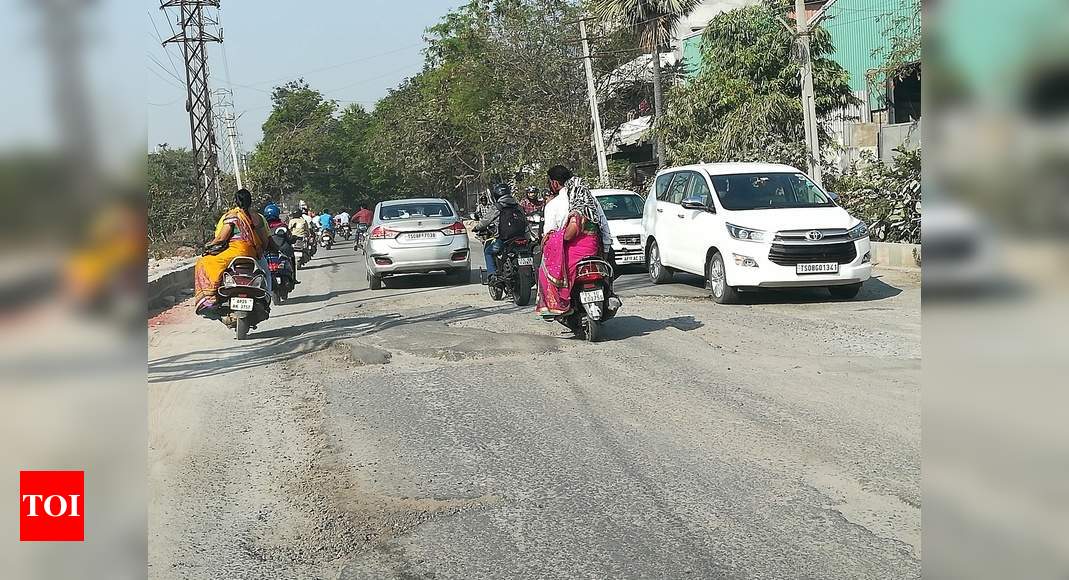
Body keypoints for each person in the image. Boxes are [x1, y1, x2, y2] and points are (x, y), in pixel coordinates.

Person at [536, 166, 617, 317]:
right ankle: (610, 294)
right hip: (595, 251)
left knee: (544, 268)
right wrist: (605, 251)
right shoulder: (590, 201)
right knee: (610, 271)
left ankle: (555, 305)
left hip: (570, 255)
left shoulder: (554, 205)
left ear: (554, 183)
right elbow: (604, 227)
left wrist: (550, 239)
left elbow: (550, 234)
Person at [194, 189, 269, 317]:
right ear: (250, 201)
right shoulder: (257, 217)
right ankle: (266, 299)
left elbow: (222, 238)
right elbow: (265, 240)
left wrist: (209, 246)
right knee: (266, 273)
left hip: (236, 251)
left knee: (204, 262)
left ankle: (210, 298)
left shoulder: (233, 215)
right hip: (253, 253)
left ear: (235, 201)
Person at [475, 183, 525, 277]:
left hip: (504, 239)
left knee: (488, 252)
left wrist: (477, 227)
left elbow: (485, 221)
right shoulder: (518, 206)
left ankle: (492, 275)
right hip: (521, 237)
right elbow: (525, 221)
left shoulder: (497, 207)